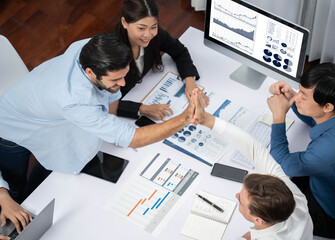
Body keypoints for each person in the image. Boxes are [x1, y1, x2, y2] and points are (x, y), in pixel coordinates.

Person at [0, 32, 200, 238]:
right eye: (116, 79)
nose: (123, 83)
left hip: (48, 111)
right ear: (90, 72)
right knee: (15, 192)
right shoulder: (74, 100)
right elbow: (133, 138)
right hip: (12, 128)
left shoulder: (94, 48)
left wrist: (111, 123)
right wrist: (185, 118)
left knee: (53, 167)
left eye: (124, 75)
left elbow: (111, 96)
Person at [191, 89, 313, 240]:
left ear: (258, 220)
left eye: (241, 202)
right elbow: (253, 148)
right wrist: (207, 120)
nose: (236, 196)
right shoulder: (295, 199)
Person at [267, 62, 335, 238]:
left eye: (304, 95)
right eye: (300, 91)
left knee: (270, 208)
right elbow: (317, 118)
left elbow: (281, 162)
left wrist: (279, 116)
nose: (297, 98)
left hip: (333, 215)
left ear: (328, 106)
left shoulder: (325, 153)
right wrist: (292, 97)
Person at [110, 0, 208, 120]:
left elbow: (180, 52)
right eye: (141, 28)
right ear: (124, 22)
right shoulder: (111, 53)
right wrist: (142, 108)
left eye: (153, 27)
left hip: (145, 88)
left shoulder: (156, 35)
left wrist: (190, 82)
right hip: (123, 109)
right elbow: (104, 102)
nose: (148, 35)